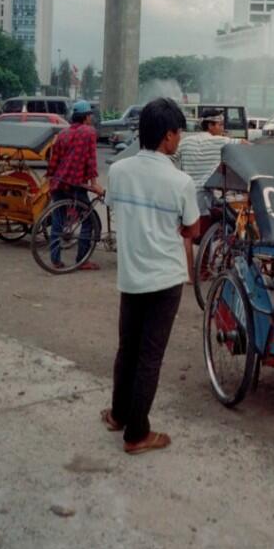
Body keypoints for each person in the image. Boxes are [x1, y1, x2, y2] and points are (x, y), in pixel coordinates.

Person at [102, 98, 199, 454]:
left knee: (128, 348)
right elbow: (192, 228)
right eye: (179, 134)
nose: (180, 140)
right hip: (165, 280)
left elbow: (114, 206)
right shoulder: (180, 181)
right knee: (149, 356)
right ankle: (137, 433)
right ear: (168, 135)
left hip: (131, 276)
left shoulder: (119, 171)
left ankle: (118, 415)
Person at [174, 109, 241, 282]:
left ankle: (190, 274)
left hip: (185, 195)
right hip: (204, 198)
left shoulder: (185, 142)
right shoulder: (221, 141)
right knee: (229, 222)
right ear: (210, 125)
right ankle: (205, 269)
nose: (222, 128)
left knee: (187, 237)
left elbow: (172, 159)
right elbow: (245, 147)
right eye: (219, 124)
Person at [46, 99, 104, 270]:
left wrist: (50, 178)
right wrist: (94, 184)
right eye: (90, 115)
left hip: (59, 182)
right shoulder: (88, 132)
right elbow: (91, 159)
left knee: (58, 220)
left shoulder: (63, 133)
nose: (92, 118)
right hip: (74, 183)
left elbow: (54, 159)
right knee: (89, 221)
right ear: (86, 117)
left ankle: (55, 260)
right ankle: (82, 260)